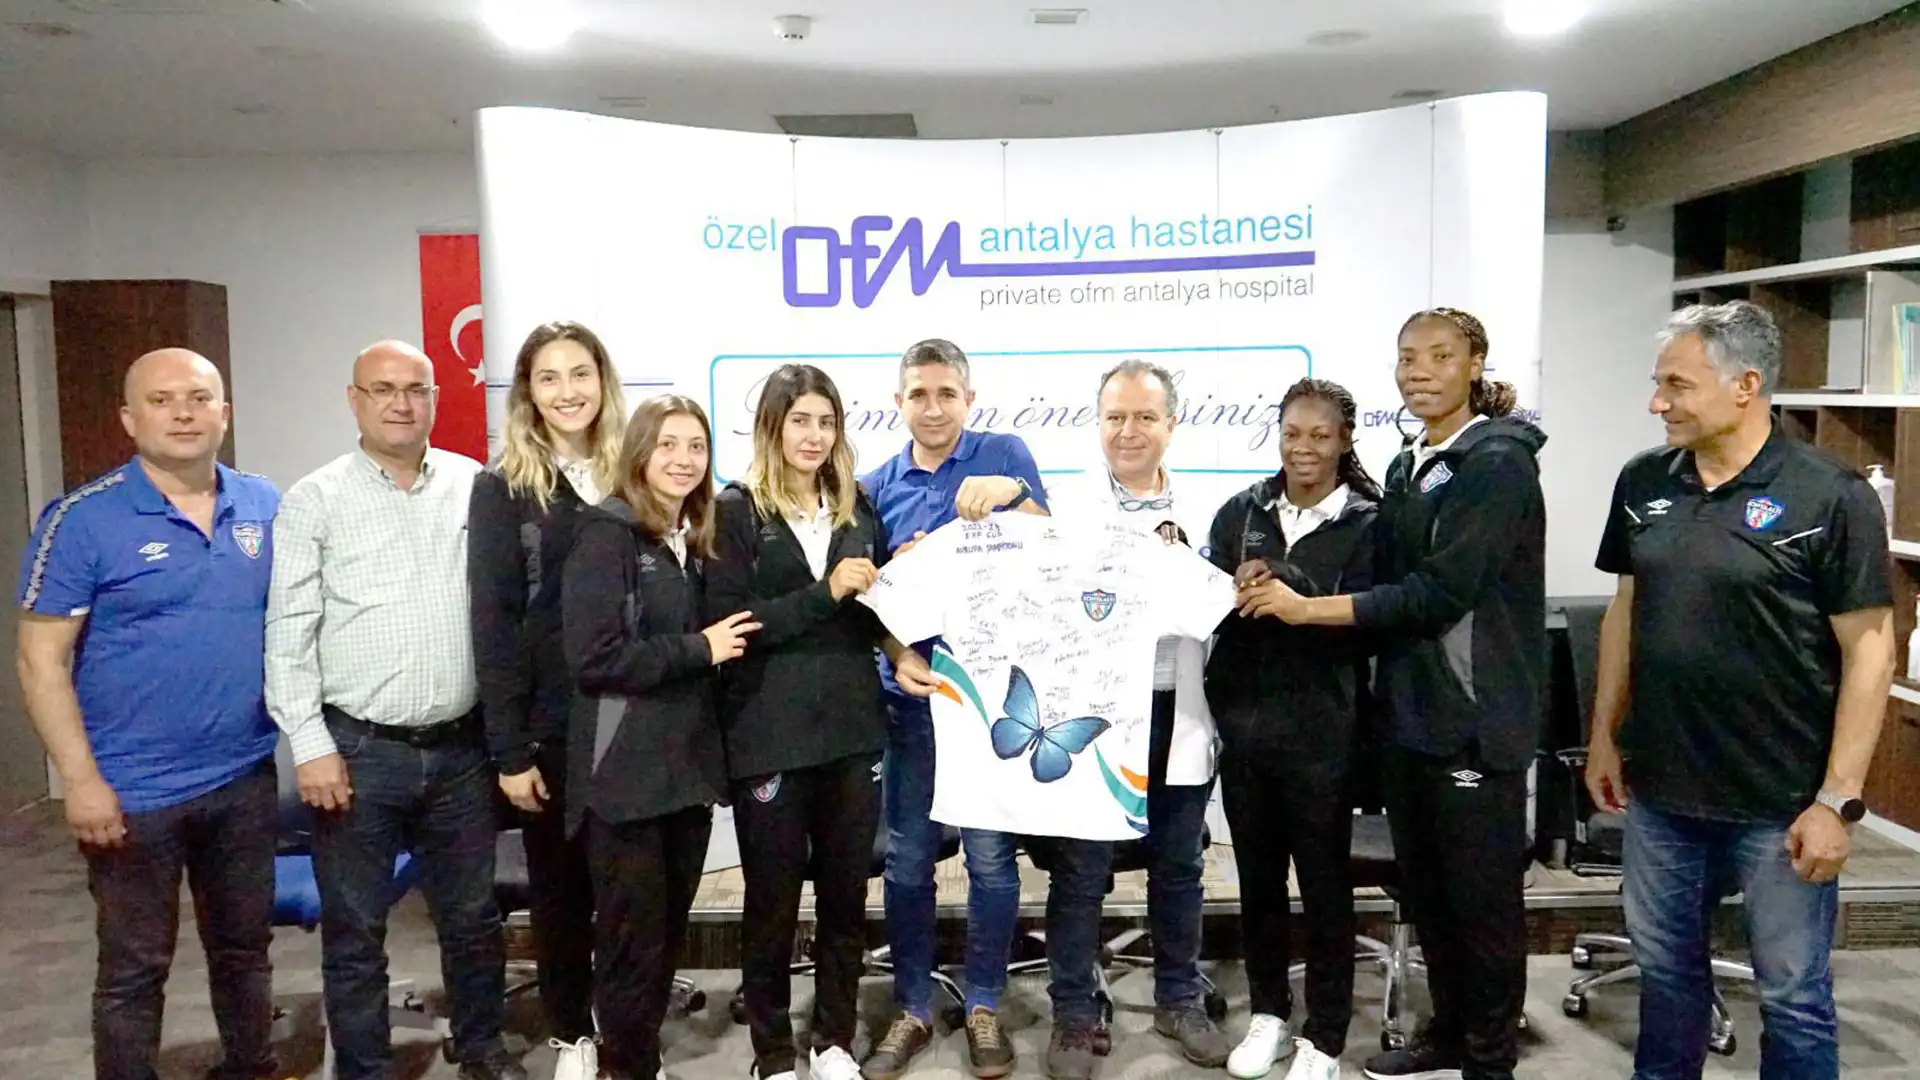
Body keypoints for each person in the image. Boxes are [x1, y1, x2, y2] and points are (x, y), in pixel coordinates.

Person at [1585, 301, 1893, 1080]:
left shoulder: (1830, 494)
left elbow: (1870, 652)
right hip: (1662, 792)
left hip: (1782, 801)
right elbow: (1626, 611)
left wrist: (1837, 800)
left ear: (1746, 386)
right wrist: (1603, 736)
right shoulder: (1643, 482)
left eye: (1677, 386)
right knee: (1666, 978)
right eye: (1659, 384)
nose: (1657, 403)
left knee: (1791, 995)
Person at [1246, 308, 1547, 1080]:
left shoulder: (1498, 463)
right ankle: (1447, 1032)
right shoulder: (1412, 464)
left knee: (1482, 908)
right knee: (1431, 898)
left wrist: (1307, 611)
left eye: (1440, 356)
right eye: (1408, 357)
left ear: (1475, 364)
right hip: (1410, 720)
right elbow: (1378, 577)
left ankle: (1490, 1062)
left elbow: (1440, 592)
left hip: (1474, 721)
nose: (1419, 371)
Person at [15, 349, 280, 1080]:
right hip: (131, 792)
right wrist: (80, 782)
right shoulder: (81, 520)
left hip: (243, 776)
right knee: (135, 969)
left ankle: (251, 1067)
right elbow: (40, 662)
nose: (183, 413)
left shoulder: (263, 503)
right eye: (161, 401)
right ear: (129, 419)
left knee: (245, 952)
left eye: (199, 398)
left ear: (224, 413)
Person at [266, 340, 523, 1080]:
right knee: (355, 932)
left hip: (461, 750)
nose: (401, 404)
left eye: (416, 389)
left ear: (436, 398)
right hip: (358, 752)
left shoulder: (475, 486)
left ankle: (482, 1050)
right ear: (355, 400)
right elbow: (288, 633)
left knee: (472, 921)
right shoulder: (315, 499)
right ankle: (365, 1069)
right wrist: (310, 745)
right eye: (383, 389)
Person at [707, 364, 905, 1080]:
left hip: (852, 732)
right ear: (772, 426)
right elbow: (732, 625)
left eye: (826, 422)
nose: (815, 436)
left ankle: (832, 1042)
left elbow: (870, 609)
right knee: (772, 903)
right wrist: (827, 592)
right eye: (800, 421)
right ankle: (772, 1054)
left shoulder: (858, 507)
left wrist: (898, 629)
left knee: (847, 900)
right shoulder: (734, 512)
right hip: (769, 736)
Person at [858, 338, 1049, 1080]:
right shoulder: (874, 486)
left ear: (969, 399)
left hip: (992, 705)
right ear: (898, 402)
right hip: (912, 704)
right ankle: (911, 1005)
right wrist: (895, 613)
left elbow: (1051, 544)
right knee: (907, 859)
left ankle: (984, 1003)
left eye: (946, 394)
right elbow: (866, 600)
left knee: (991, 860)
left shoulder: (1005, 454)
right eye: (918, 395)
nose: (933, 408)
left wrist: (1011, 495)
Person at [1043, 359, 1232, 1069]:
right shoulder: (1061, 509)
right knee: (1081, 869)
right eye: (1116, 416)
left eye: (1145, 417)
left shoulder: (1208, 512)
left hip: (1177, 711)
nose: (1129, 431)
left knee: (1179, 864)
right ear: (1098, 423)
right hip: (1095, 717)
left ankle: (1179, 999)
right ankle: (1073, 1012)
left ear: (1171, 425)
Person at [562, 394, 757, 1080]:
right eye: (668, 444)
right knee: (631, 941)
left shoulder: (692, 538)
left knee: (666, 934)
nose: (684, 459)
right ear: (639, 452)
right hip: (624, 779)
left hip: (684, 774)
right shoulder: (606, 534)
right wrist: (699, 649)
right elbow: (595, 658)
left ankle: (636, 1054)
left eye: (696, 446)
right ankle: (627, 1065)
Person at [1205, 378, 1380, 1080]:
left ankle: (1325, 1037)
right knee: (1258, 884)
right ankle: (1270, 1014)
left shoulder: (1370, 522)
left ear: (1344, 440)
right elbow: (1209, 604)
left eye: (1319, 435)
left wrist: (1289, 583)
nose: (1303, 448)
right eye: (1291, 433)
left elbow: (1374, 621)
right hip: (1247, 732)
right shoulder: (1241, 510)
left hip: (1324, 736)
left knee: (1326, 887)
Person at [468, 321, 629, 1075]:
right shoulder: (503, 487)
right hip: (554, 726)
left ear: (604, 381)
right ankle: (573, 1034)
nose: (568, 392)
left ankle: (630, 1034)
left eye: (580, 374)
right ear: (528, 394)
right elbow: (493, 624)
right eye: (549, 377)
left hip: (638, 718)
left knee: (631, 894)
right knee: (560, 893)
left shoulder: (638, 470)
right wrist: (509, 750)